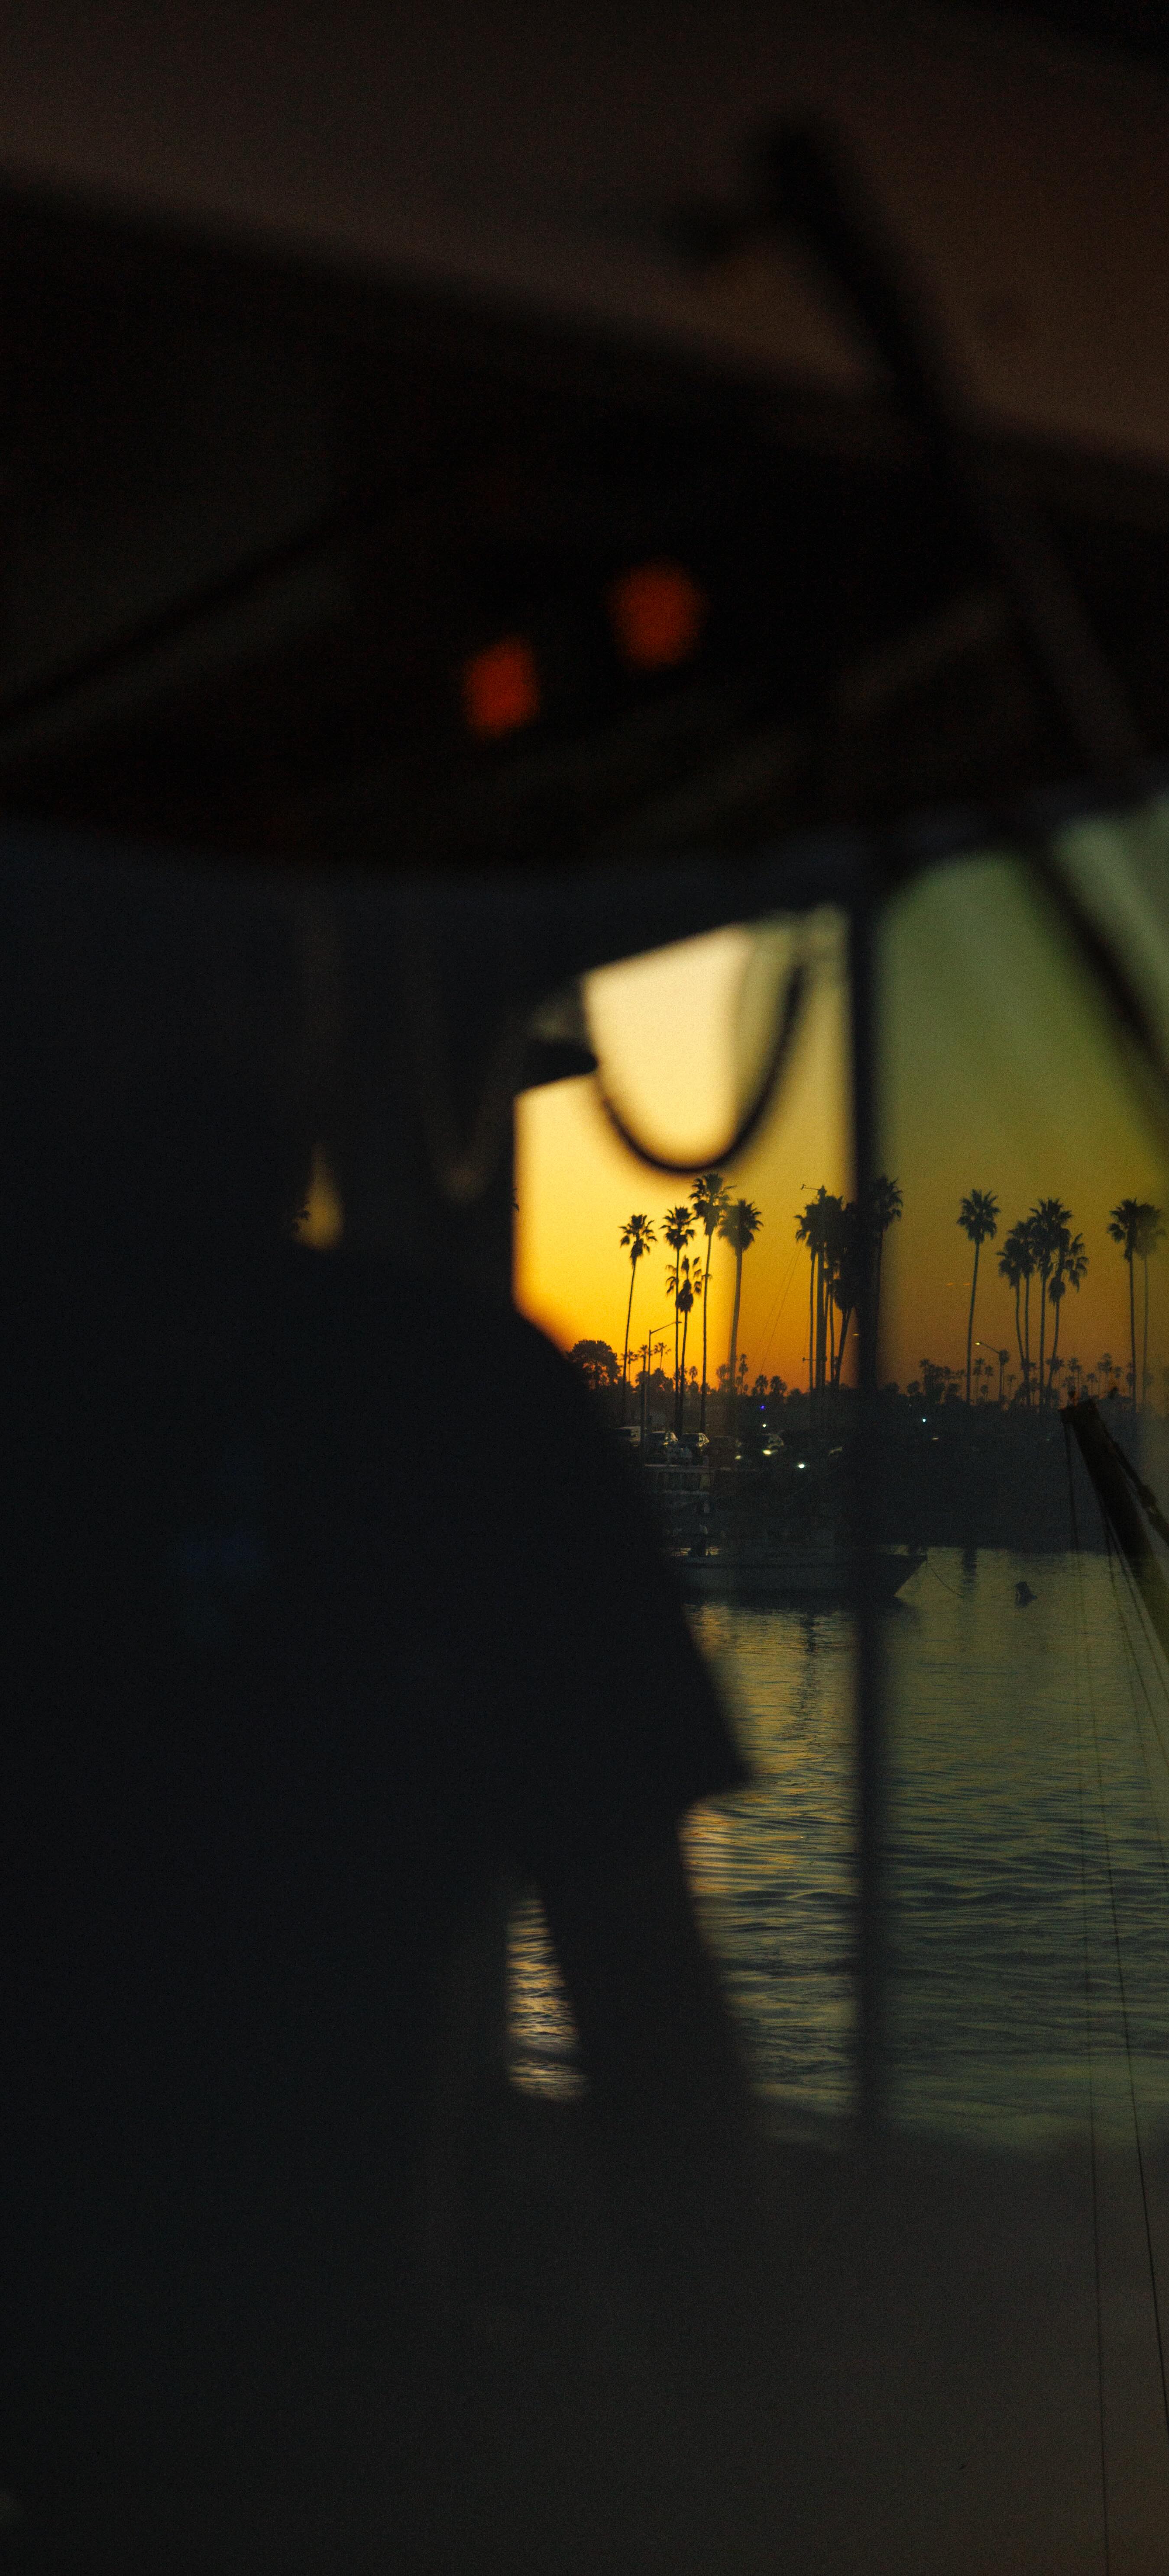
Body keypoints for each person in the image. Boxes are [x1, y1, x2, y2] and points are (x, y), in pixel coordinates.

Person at [0, 845, 764, 2572]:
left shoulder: (467, 1422)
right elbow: (654, 2036)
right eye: (147, 957)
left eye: (264, 971)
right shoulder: (459, 1413)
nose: (216, 1031)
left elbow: (657, 2044)